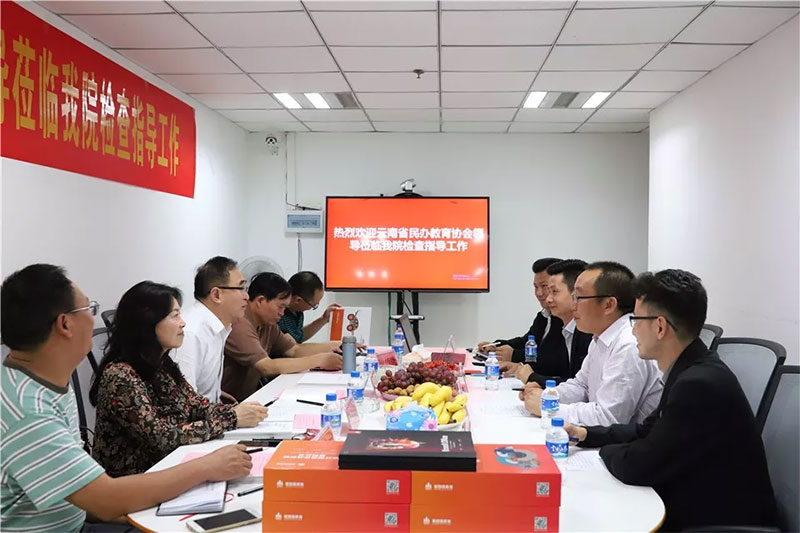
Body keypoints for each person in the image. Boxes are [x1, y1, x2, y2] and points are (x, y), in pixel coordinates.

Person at [1, 264, 254, 532]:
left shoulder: (45, 381)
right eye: (89, 308)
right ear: (65, 324)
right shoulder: (29, 411)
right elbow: (105, 500)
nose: (93, 318)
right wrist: (207, 467)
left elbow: (85, 495)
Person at [565, 269, 778, 531]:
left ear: (660, 326)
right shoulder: (689, 369)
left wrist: (604, 453)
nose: (633, 331)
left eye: (636, 320)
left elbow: (640, 466)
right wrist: (586, 434)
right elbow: (646, 431)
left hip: (715, 521)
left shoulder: (698, 385)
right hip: (696, 501)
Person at [90, 281, 268, 477]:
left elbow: (195, 405)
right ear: (147, 323)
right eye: (174, 315)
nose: (183, 323)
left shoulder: (162, 363)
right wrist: (232, 418)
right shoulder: (120, 375)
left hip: (170, 465)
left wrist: (239, 411)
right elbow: (161, 437)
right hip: (137, 480)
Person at [521, 261, 662, 426]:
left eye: (578, 297)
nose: (574, 305)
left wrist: (549, 407)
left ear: (608, 305)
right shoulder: (600, 337)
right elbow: (582, 386)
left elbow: (608, 418)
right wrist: (548, 395)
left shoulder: (628, 344)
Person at [224, 272, 343, 401]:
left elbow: (294, 350)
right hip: (229, 404)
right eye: (280, 307)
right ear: (260, 301)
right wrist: (319, 360)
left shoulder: (268, 324)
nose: (282, 313)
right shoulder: (239, 324)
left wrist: (338, 344)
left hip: (252, 398)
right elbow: (266, 366)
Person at [502, 259, 592, 386]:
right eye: (536, 287)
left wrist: (532, 377)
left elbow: (582, 388)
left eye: (554, 291)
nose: (548, 298)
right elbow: (574, 384)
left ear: (577, 294)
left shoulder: (589, 333)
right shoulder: (568, 328)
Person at [173, 256, 248, 402]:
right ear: (216, 295)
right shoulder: (190, 333)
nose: (246, 296)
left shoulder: (218, 327)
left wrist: (219, 395)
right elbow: (185, 401)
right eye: (241, 288)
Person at [477, 257, 564, 363]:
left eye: (544, 286)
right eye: (536, 287)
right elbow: (526, 341)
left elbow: (554, 360)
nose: (539, 293)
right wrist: (496, 346)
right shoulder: (543, 316)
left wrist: (515, 355)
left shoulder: (564, 318)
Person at [278, 271, 342, 344]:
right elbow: (291, 347)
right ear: (298, 300)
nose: (311, 308)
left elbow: (299, 337)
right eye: (313, 305)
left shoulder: (298, 311)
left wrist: (323, 319)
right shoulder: (278, 316)